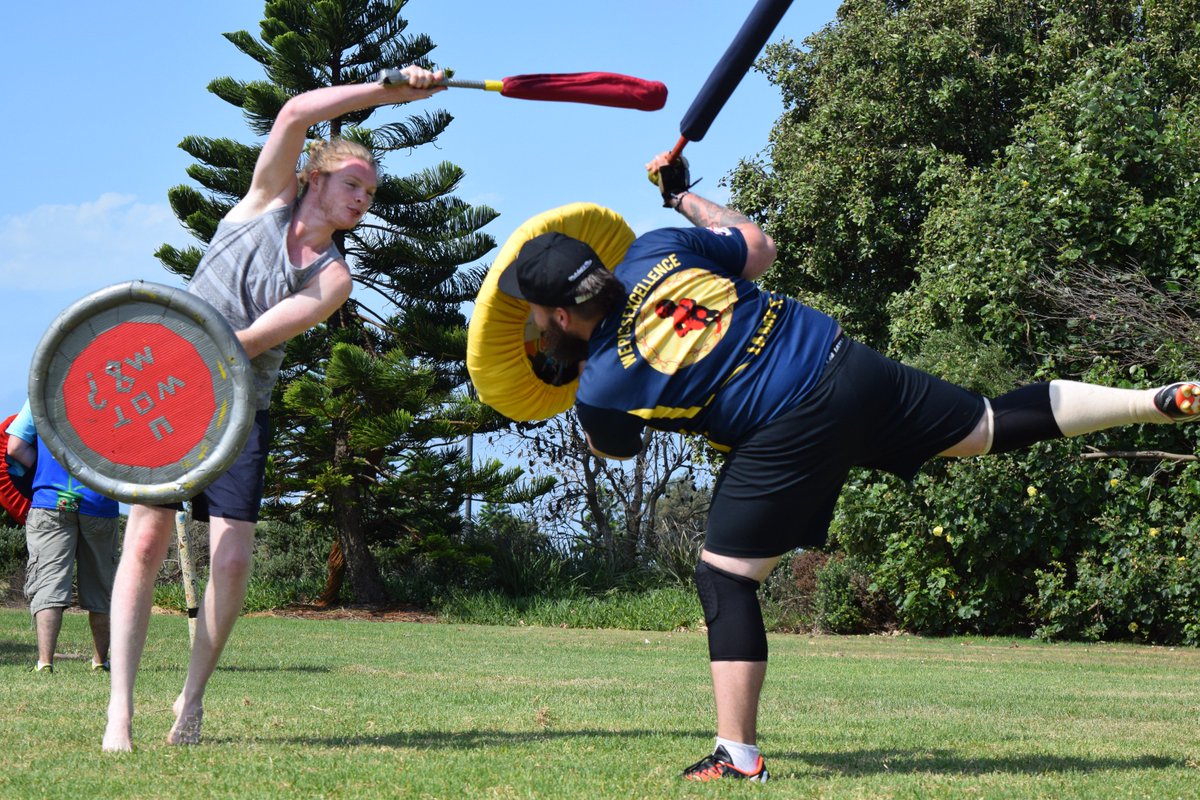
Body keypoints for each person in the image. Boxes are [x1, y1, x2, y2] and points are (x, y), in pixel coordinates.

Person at [496, 151, 1200, 782]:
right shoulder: (658, 247)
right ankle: (1150, 399)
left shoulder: (603, 387)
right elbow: (759, 246)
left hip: (785, 421)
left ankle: (737, 756)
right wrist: (684, 196)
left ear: (559, 315)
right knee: (985, 424)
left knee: (724, 576)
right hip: (839, 359)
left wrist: (574, 386)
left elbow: (616, 448)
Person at [101, 67, 446, 752]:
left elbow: (245, 342)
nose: (363, 200)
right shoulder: (261, 202)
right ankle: (120, 712)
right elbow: (293, 113)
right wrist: (389, 93)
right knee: (143, 542)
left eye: (371, 193)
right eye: (353, 183)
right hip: (169, 396)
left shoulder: (332, 278)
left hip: (234, 408)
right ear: (314, 178)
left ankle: (190, 703)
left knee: (230, 565)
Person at [6, 400, 120, 674]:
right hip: (99, 502)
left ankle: (45, 662)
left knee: (48, 583)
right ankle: (99, 661)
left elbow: (15, 447)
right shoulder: (116, 394)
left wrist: (44, 470)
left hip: (51, 501)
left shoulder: (43, 394)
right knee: (101, 585)